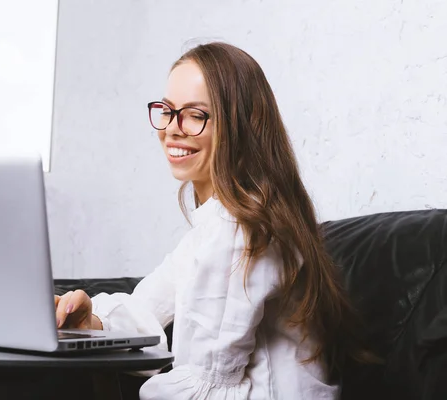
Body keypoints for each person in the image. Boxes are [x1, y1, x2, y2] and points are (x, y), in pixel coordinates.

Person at [54, 42, 369, 399]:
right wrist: (90, 323)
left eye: (195, 114)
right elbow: (146, 309)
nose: (172, 128)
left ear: (240, 126)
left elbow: (208, 386)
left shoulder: (240, 230)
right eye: (167, 110)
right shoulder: (217, 227)